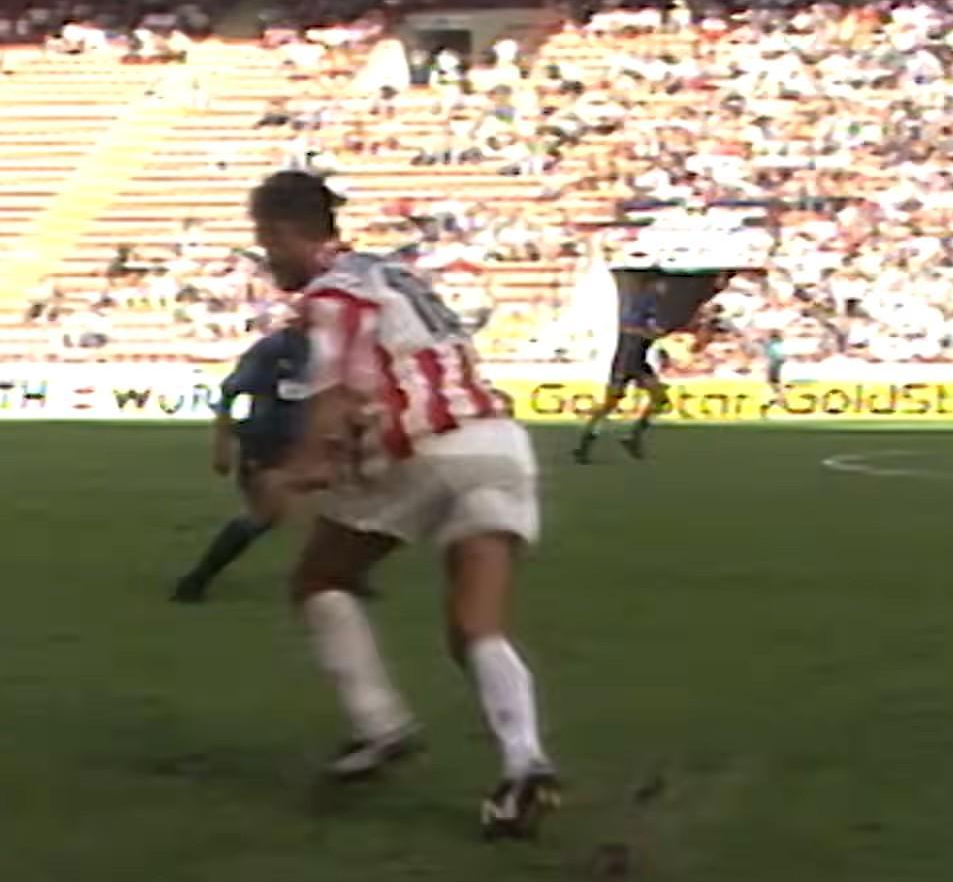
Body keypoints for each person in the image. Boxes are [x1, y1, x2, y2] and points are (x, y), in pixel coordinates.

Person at [247, 171, 559, 840]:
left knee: (319, 578)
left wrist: (293, 472)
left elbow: (335, 394)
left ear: (282, 230)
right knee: (477, 625)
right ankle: (524, 761)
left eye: (264, 241)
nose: (265, 258)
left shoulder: (333, 293)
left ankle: (379, 724)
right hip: (498, 443)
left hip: (422, 450)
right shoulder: (394, 274)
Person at [171, 325, 310, 603]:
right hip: (266, 443)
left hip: (308, 445)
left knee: (327, 507)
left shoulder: (338, 346)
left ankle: (336, 575)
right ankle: (196, 580)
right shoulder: (275, 348)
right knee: (264, 513)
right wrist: (221, 444)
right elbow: (230, 392)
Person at [573, 273, 673, 464]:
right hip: (625, 360)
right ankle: (585, 444)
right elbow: (628, 329)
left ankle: (632, 438)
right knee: (610, 404)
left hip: (639, 361)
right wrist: (650, 332)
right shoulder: (639, 304)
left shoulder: (655, 306)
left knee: (660, 400)